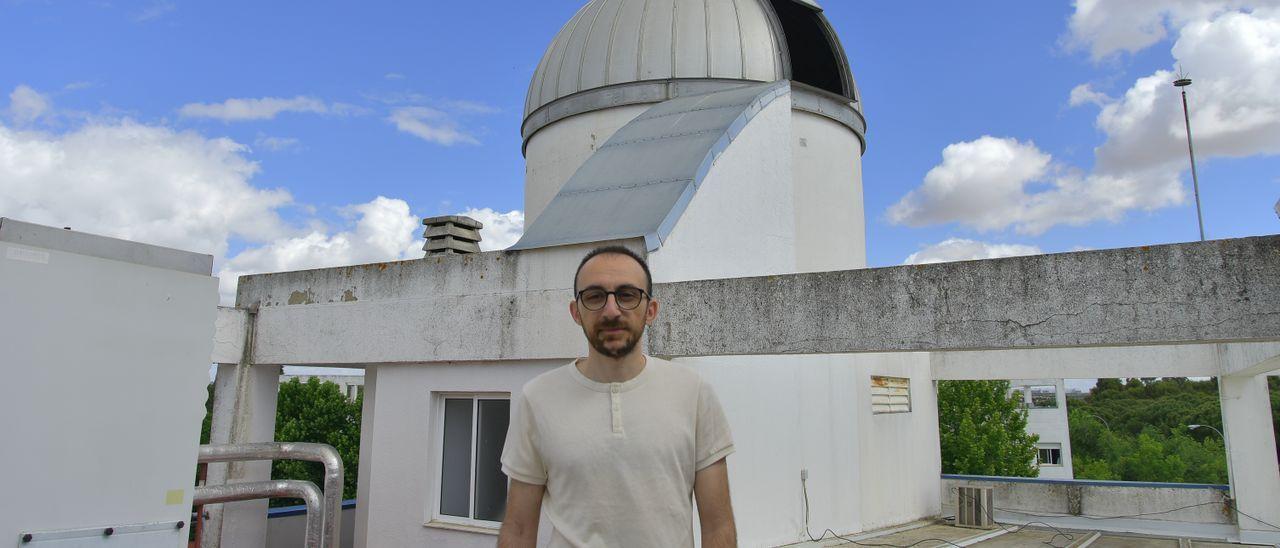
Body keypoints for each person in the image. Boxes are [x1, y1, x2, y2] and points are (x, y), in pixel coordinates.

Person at [497, 245, 737, 547]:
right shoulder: (538, 398)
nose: (612, 310)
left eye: (627, 295)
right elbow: (518, 530)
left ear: (651, 310)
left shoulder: (694, 393)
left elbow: (718, 527)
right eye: (595, 296)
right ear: (576, 312)